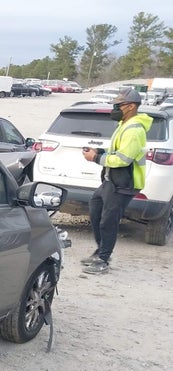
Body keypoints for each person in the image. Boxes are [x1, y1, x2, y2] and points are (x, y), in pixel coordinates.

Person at [80, 87, 152, 275]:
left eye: (117, 105)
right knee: (95, 210)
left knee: (108, 221)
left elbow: (123, 160)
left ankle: (103, 260)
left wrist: (95, 159)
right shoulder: (124, 124)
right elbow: (117, 152)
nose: (114, 109)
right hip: (111, 181)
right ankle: (100, 251)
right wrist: (100, 152)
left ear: (130, 107)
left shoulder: (135, 129)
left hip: (124, 183)